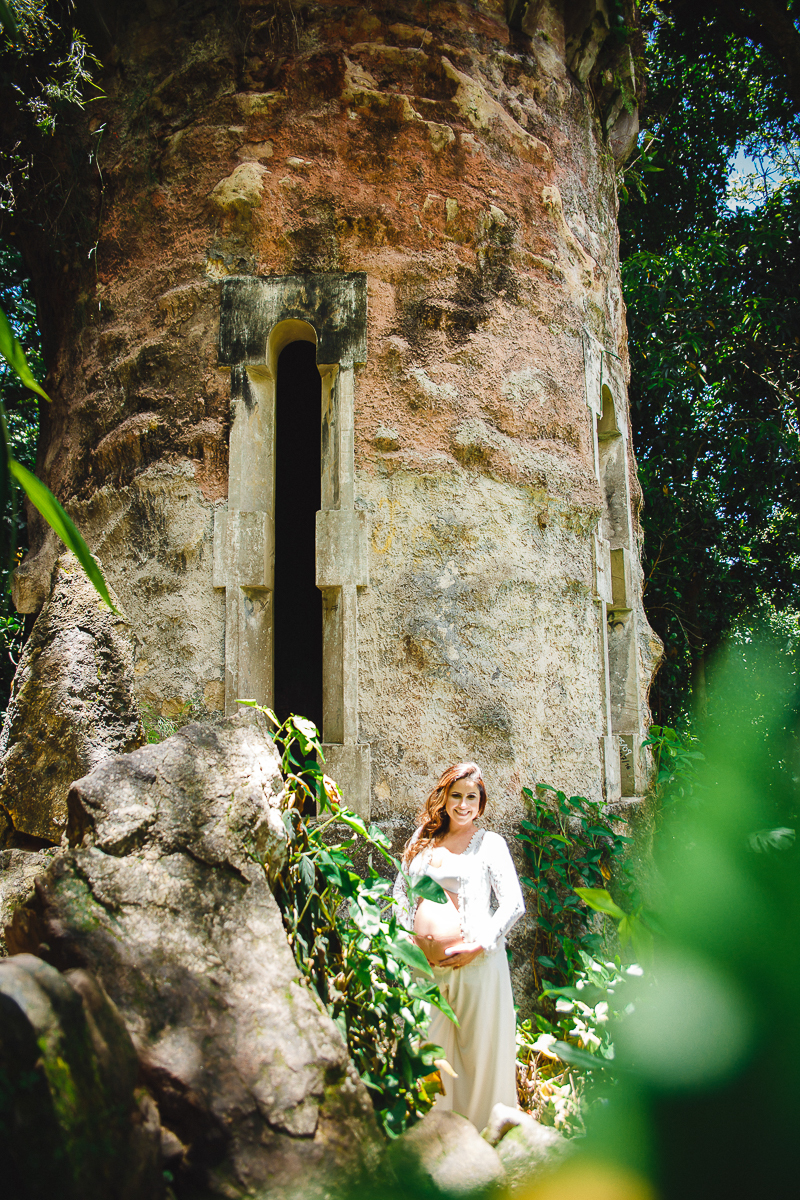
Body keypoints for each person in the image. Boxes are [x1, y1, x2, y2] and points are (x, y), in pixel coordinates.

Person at [393, 762, 525, 1132]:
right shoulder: (423, 839)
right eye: (457, 796)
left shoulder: (489, 845)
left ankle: (486, 1139)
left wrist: (480, 945)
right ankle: (433, 1140)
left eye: (471, 798)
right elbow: (401, 889)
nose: (463, 805)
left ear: (480, 804)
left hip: (476, 967)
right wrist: (405, 935)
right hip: (424, 970)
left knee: (478, 1056)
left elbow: (513, 904)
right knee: (426, 1050)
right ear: (444, 797)